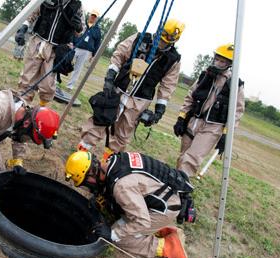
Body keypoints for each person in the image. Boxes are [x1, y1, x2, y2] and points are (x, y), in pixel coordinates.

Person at [65, 150, 195, 258]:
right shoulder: (114, 160)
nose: (88, 187)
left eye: (86, 183)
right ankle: (158, 228)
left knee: (119, 237)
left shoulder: (121, 187)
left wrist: (112, 234)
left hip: (164, 209)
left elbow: (142, 221)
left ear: (91, 172)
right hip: (163, 198)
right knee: (121, 213)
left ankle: (169, 247)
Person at [78, 19, 185, 161]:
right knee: (100, 119)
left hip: (140, 101)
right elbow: (119, 54)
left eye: (164, 41)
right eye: (160, 37)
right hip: (118, 89)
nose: (160, 42)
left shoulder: (173, 60)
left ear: (173, 41)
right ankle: (81, 153)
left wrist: (159, 110)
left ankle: (107, 163)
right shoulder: (140, 38)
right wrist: (110, 76)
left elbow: (168, 85)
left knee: (122, 134)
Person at [173, 43, 245, 177]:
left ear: (230, 64)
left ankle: (179, 186)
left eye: (222, 61)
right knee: (183, 156)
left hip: (212, 128)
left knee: (192, 159)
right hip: (194, 121)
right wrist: (181, 118)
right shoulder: (204, 75)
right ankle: (177, 180)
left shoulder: (235, 84)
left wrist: (226, 134)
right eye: (217, 59)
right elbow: (190, 96)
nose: (218, 63)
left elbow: (237, 111)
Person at [15, 0, 84, 106]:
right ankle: (20, 105)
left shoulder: (77, 5)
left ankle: (41, 108)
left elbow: (80, 31)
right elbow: (33, 12)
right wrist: (23, 27)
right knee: (27, 77)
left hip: (56, 49)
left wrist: (78, 27)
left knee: (47, 84)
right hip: (37, 41)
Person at [65, 9, 102, 92]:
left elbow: (97, 43)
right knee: (65, 61)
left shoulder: (97, 30)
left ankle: (70, 86)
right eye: (92, 15)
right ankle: (56, 79)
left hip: (85, 51)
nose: (93, 17)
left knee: (78, 68)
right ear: (89, 15)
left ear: (96, 18)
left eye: (95, 16)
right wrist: (71, 42)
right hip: (75, 47)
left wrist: (93, 55)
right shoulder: (82, 24)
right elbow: (73, 32)